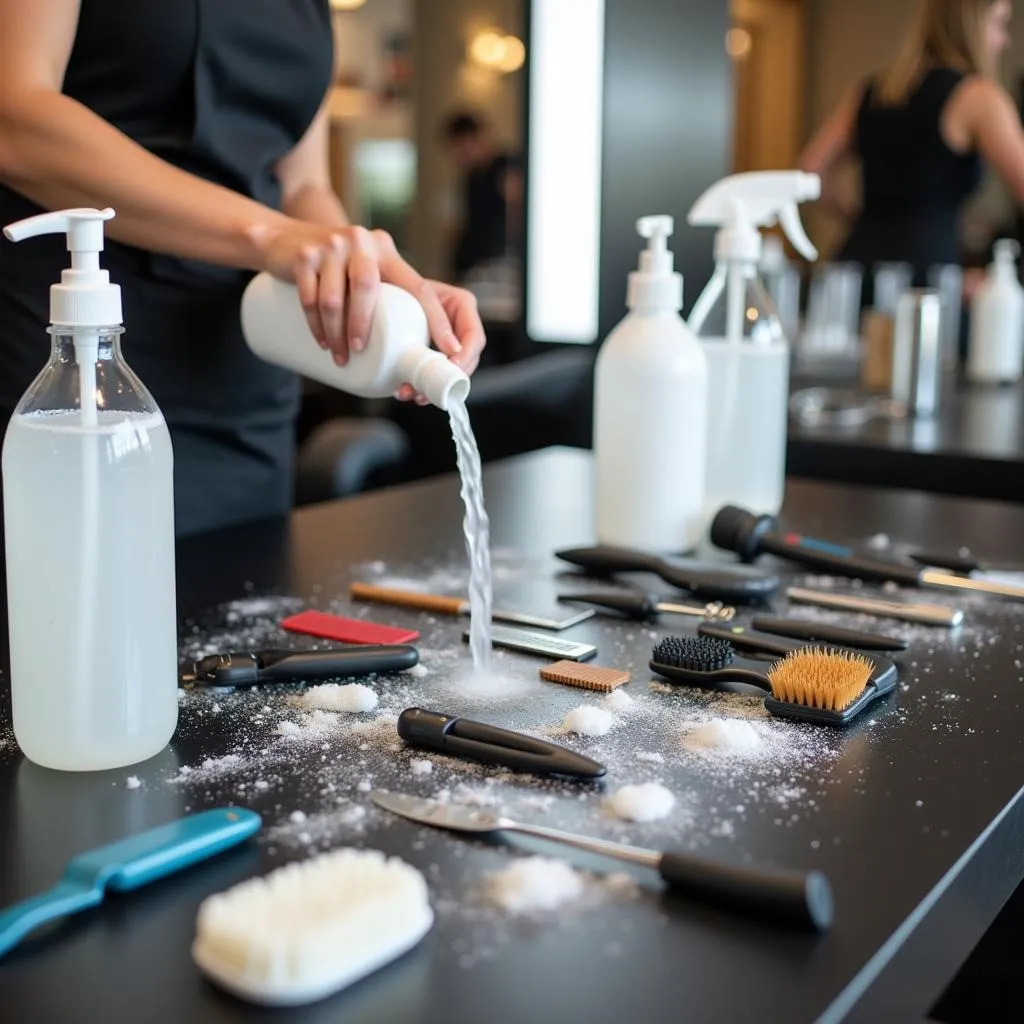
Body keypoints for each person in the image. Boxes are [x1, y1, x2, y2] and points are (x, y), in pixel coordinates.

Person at [0, 1, 486, 536]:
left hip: (248, 372)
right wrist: (269, 234)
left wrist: (366, 276)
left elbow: (303, 184)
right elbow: (15, 116)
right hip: (77, 363)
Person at [798, 0, 1024, 301]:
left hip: (855, 271)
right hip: (926, 282)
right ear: (971, 26)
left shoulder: (874, 90)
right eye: (999, 23)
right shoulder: (979, 97)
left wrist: (861, 217)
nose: (1004, 39)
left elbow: (808, 171)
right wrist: (1004, 278)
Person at [441, 111, 522, 283]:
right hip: (473, 264)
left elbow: (517, 213)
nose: (460, 156)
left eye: (461, 147)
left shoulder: (505, 167)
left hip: (497, 262)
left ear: (474, 138)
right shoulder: (471, 176)